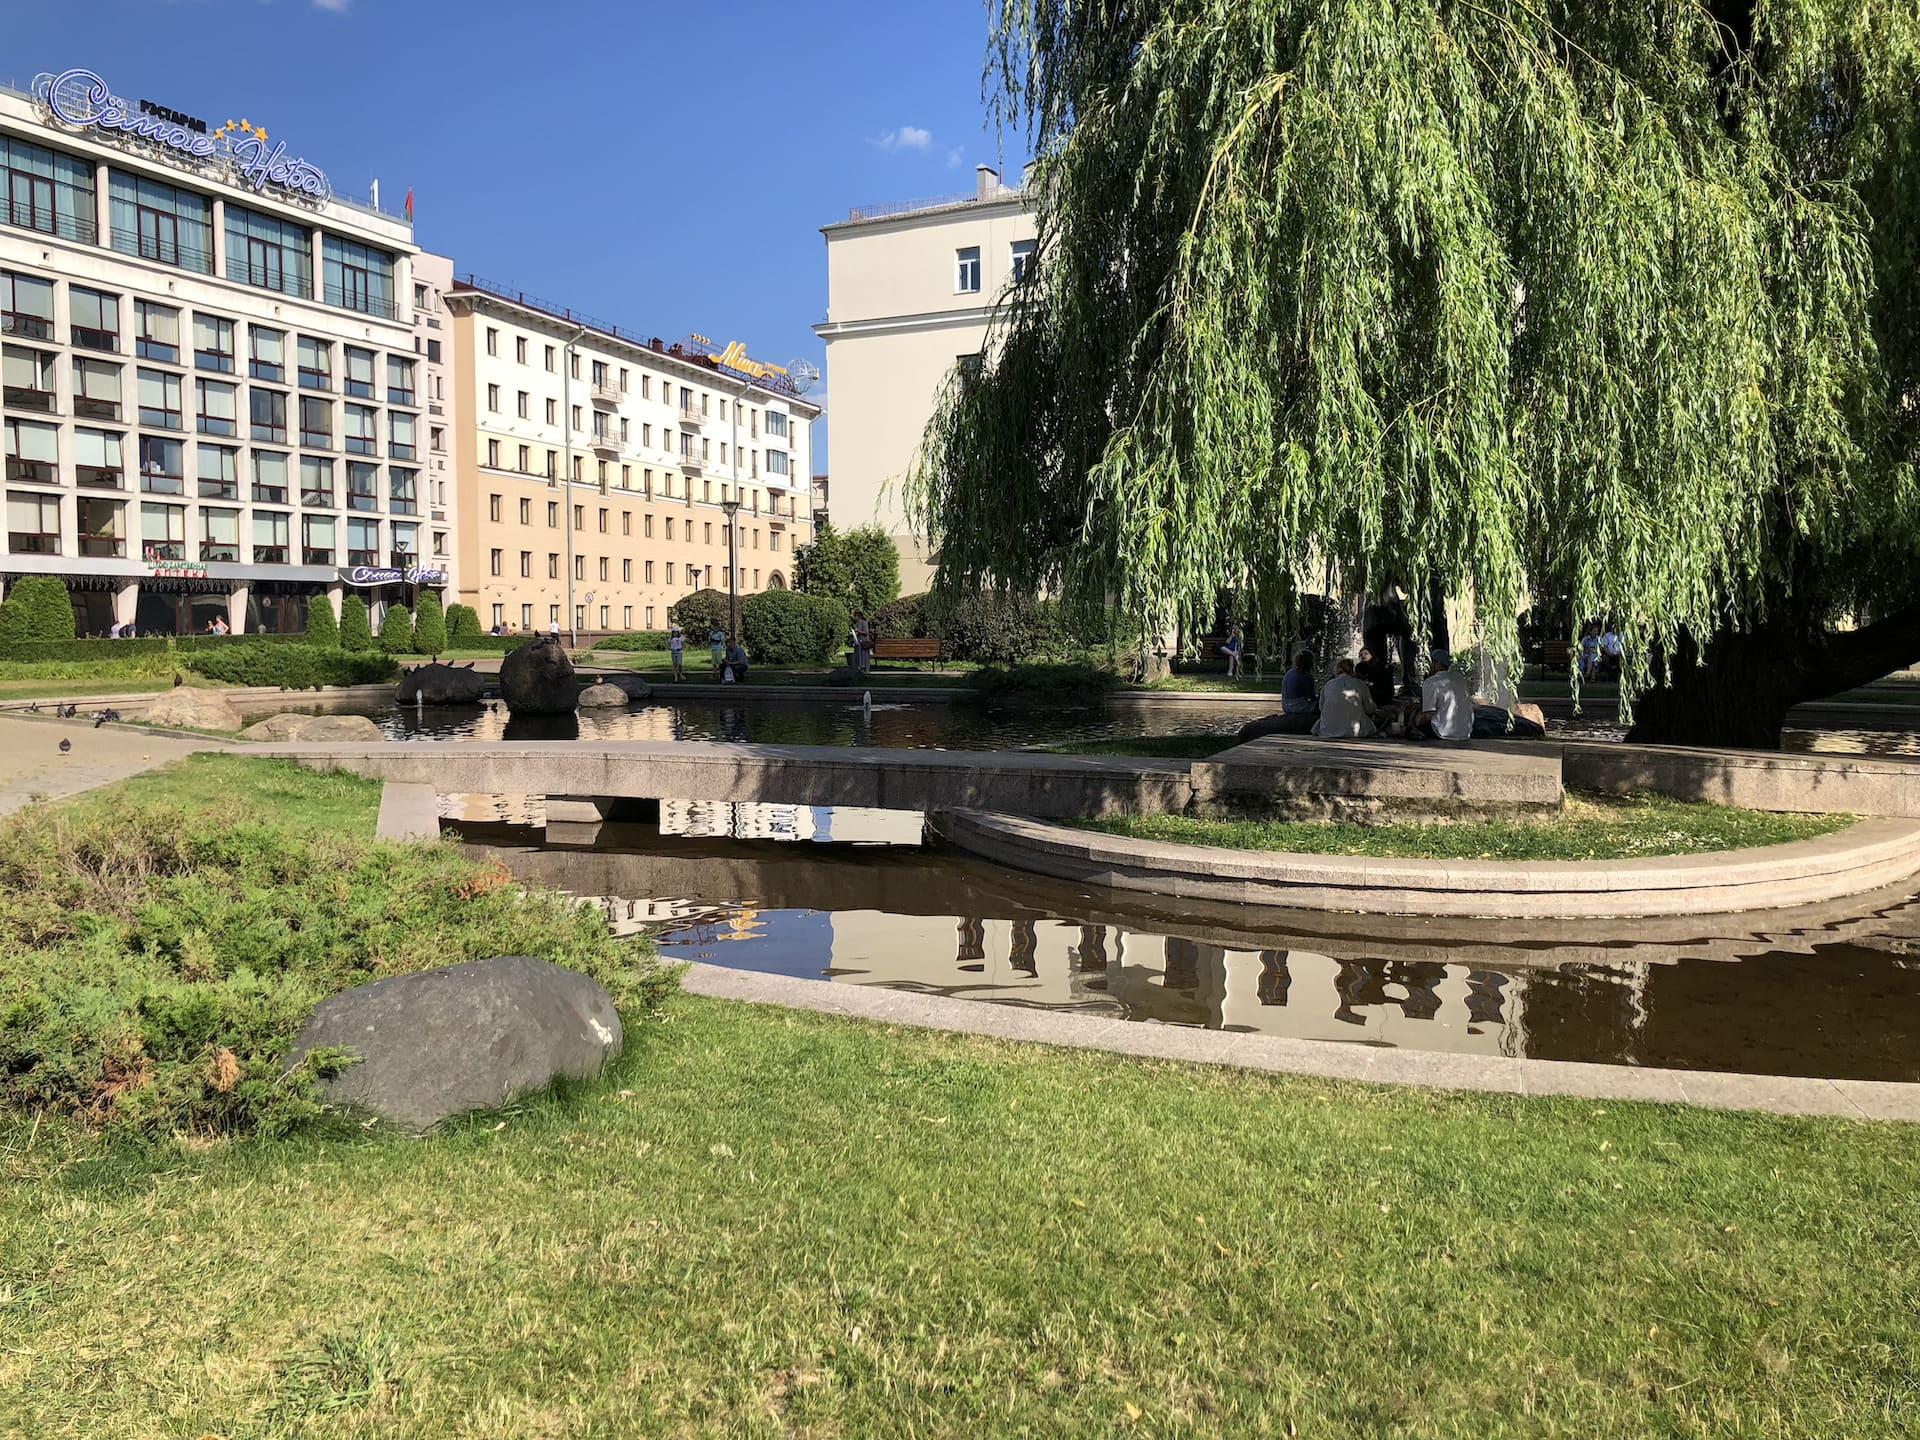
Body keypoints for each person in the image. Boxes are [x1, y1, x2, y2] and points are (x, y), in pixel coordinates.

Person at [1313, 658, 1378, 738]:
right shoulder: (1360, 684)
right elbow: (1370, 709)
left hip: (1328, 730)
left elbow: (1321, 707)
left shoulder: (1328, 685)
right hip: (1356, 731)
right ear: (1352, 670)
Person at [1417, 655, 1475, 741]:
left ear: (1438, 663)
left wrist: (1415, 722)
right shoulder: (1460, 679)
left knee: (1415, 717)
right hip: (1465, 732)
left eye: (1432, 663)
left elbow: (1428, 715)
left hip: (1441, 732)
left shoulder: (1431, 682)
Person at [1280, 650, 1317, 717]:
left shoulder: (1289, 673)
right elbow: (1311, 697)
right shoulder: (1306, 676)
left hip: (1286, 706)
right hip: (1298, 708)